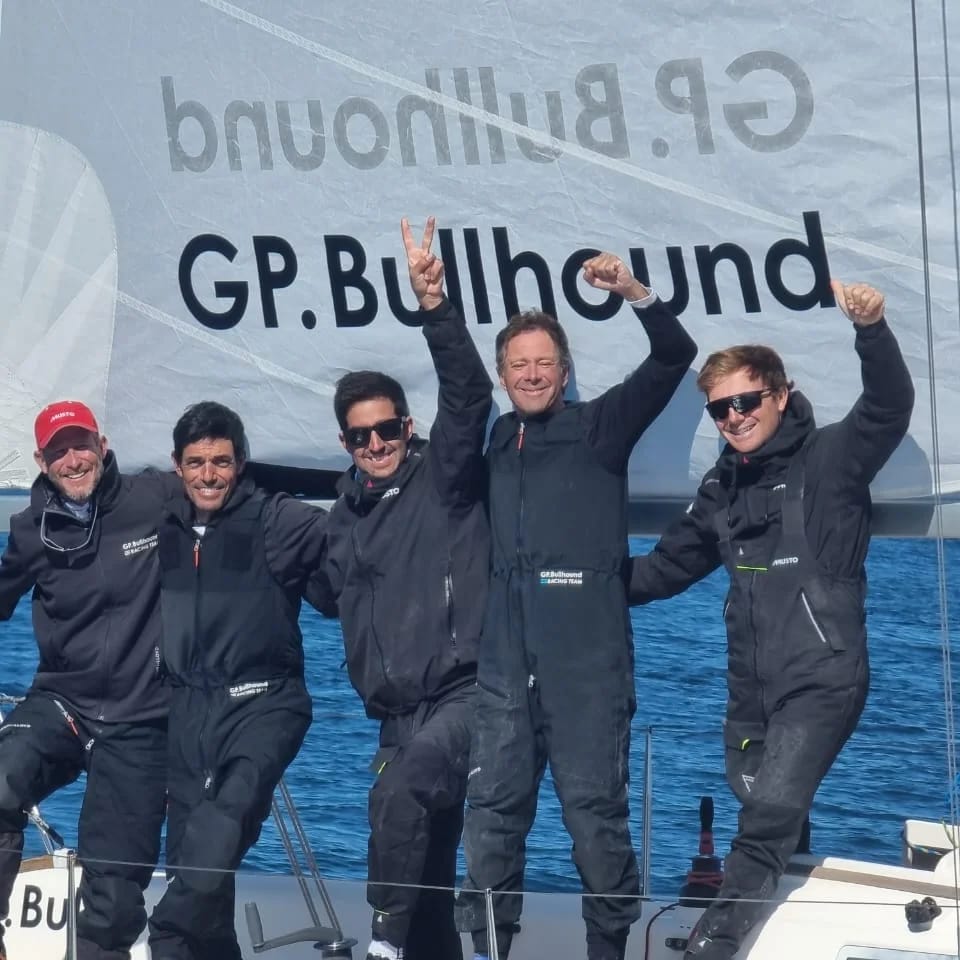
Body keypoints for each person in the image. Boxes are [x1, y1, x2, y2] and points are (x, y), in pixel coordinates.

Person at [625, 281, 914, 960]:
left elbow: (888, 407)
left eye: (746, 401)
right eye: (720, 409)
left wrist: (871, 330)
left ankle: (711, 948)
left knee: (766, 818)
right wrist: (575, 586)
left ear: (780, 395)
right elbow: (663, 570)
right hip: (750, 693)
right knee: (773, 819)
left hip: (822, 679)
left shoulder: (831, 459)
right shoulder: (723, 488)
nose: (733, 417)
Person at [455, 255, 698, 960]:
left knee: (594, 822)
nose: (530, 374)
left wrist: (634, 293)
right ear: (503, 376)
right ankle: (490, 950)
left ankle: (608, 953)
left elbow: (674, 355)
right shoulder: (498, 439)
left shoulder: (601, 427)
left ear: (564, 371)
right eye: (518, 364)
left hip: (588, 668)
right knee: (493, 818)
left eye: (543, 363)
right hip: (505, 667)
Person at [304, 217, 492, 960]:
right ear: (345, 443)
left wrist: (435, 307)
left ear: (407, 427)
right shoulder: (342, 521)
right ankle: (412, 946)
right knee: (423, 860)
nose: (376, 445)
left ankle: (378, 947)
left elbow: (470, 395)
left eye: (387, 430)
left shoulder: (442, 478)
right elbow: (323, 595)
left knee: (404, 793)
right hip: (395, 715)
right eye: (361, 436)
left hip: (465, 692)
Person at [146, 401, 328, 960]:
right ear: (177, 465)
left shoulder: (278, 518)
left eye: (221, 462)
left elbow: (358, 534)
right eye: (196, 462)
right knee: (198, 863)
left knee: (224, 821)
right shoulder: (162, 522)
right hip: (185, 713)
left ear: (241, 462)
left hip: (263, 703)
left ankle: (165, 934)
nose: (208, 475)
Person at [0, 400, 172, 960]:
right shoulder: (30, 531)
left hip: (140, 716)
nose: (72, 460)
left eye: (80, 445)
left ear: (103, 446)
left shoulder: (153, 500)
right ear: (41, 461)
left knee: (114, 892)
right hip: (62, 703)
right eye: (57, 451)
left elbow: (227, 492)